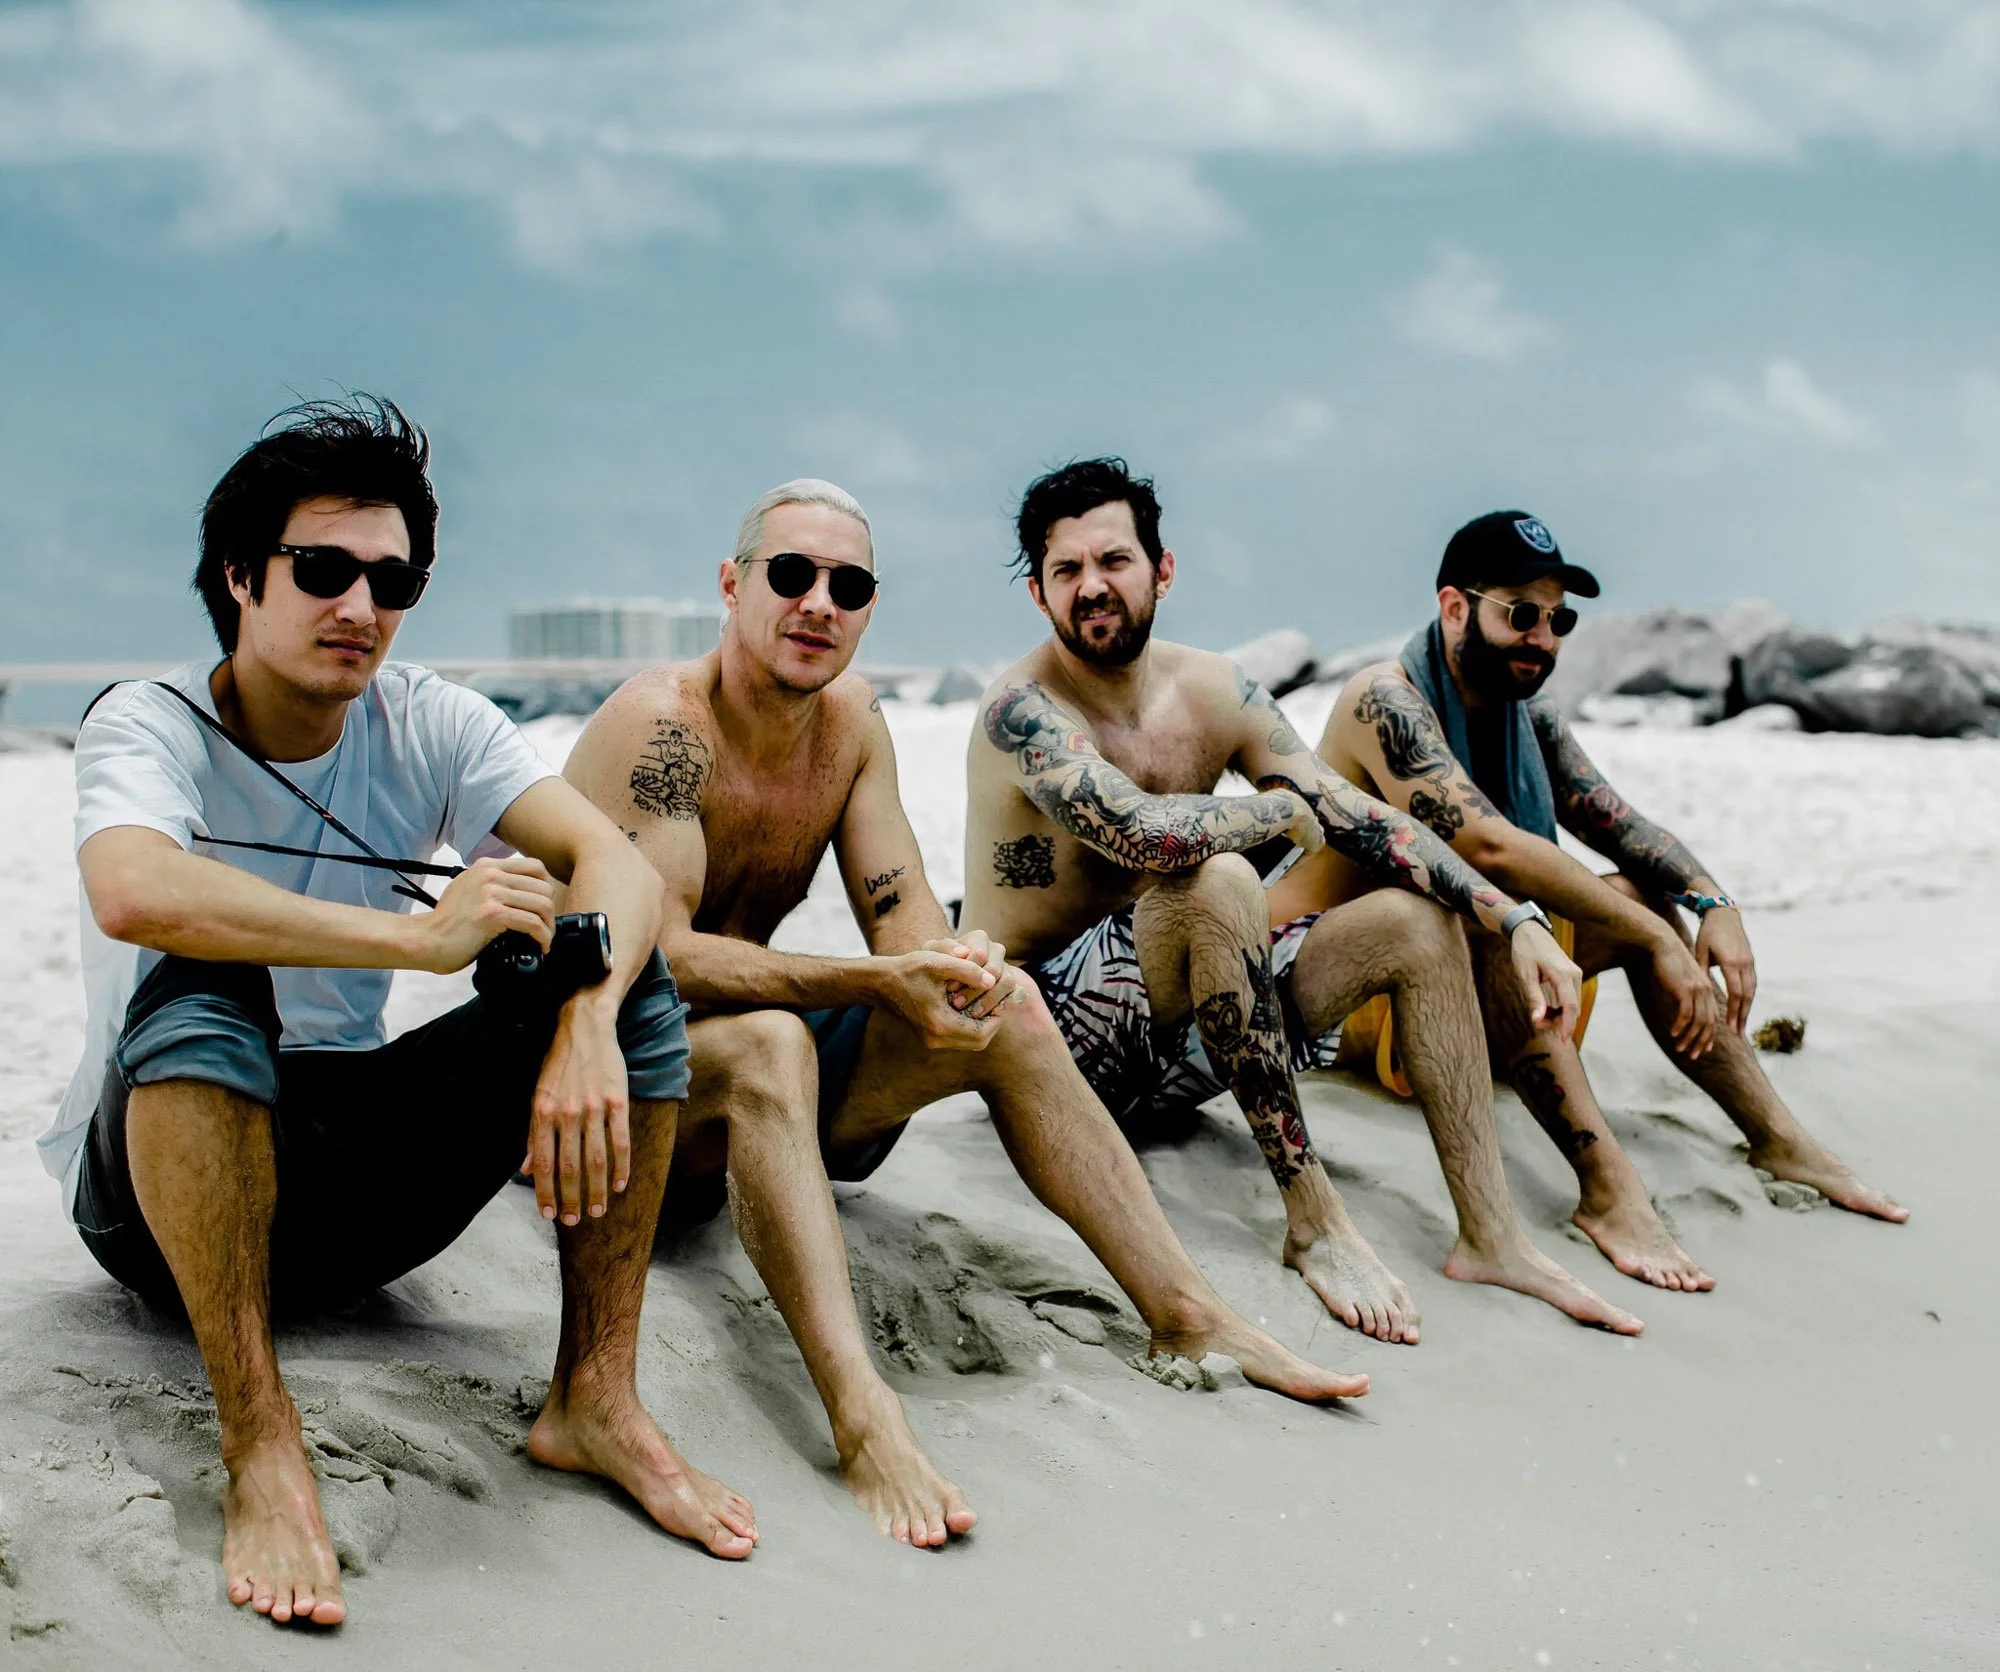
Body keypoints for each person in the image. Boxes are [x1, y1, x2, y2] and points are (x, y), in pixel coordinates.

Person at [38, 399, 758, 1632]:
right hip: (156, 1204)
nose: (360, 607)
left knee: (612, 964)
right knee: (201, 979)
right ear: (238, 577)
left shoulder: (425, 715)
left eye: (394, 578)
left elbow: (621, 864)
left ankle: (594, 1397)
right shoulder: (148, 719)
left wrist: (583, 1019)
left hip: (350, 1192)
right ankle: (261, 1445)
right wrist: (414, 937)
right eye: (322, 570)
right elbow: (130, 887)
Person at [561, 478, 1368, 1550]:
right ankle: (862, 1414)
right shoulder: (662, 727)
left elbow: (899, 925)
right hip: (619, 1100)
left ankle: (1187, 1314)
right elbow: (662, 957)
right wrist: (871, 982)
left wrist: (955, 967)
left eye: (846, 585)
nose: (817, 603)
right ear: (731, 583)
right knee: (764, 1043)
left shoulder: (849, 727)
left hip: (775, 1086)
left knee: (1009, 1004)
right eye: (789, 575)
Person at [961, 459, 1642, 1348]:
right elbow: (1142, 835)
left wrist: (1509, 918)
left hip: (1183, 1049)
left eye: (1114, 561)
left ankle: (1492, 1234)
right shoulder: (1022, 711)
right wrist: (1278, 810)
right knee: (1219, 877)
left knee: (1414, 919)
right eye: (1066, 571)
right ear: (1039, 595)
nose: (1092, 586)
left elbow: (1355, 812)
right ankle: (1315, 1220)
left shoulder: (1213, 689)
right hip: (1049, 1060)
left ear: (1162, 571)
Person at [1267, 508, 1906, 1290]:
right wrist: (1655, 938)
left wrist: (1710, 903)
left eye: (1560, 618)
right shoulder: (1386, 701)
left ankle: (1779, 1138)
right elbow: (1486, 846)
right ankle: (1606, 1188)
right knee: (1504, 914)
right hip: (1350, 991)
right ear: (1454, 608)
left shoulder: (1524, 713)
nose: (1543, 636)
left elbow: (1617, 823)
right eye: (1522, 613)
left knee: (1640, 897)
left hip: (1462, 993)